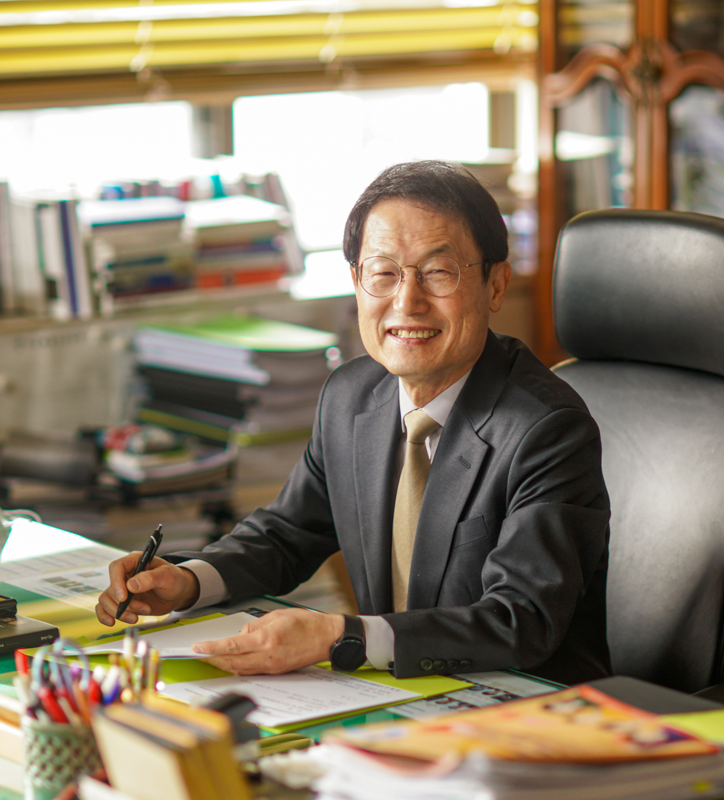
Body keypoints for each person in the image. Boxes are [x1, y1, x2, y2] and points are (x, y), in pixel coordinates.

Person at [96, 160, 611, 684]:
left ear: (496, 285)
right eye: (383, 273)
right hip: (397, 691)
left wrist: (340, 636)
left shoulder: (547, 430)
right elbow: (289, 533)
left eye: (438, 272)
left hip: (527, 703)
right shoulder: (351, 396)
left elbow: (520, 620)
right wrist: (188, 581)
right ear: (356, 283)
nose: (407, 301)